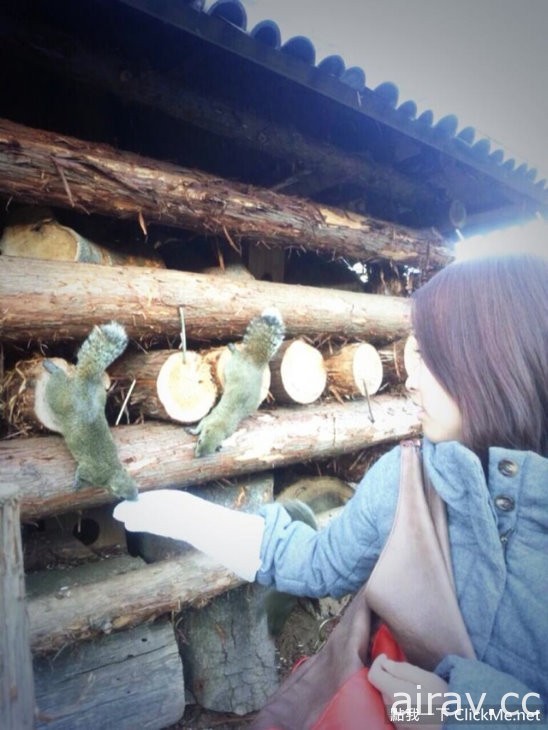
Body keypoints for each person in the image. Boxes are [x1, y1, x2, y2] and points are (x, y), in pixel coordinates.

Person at [114, 253, 548, 726]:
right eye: (413, 355)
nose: (411, 379)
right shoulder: (405, 480)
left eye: (431, 357)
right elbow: (316, 563)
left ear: (493, 361)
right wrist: (195, 520)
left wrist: (466, 712)